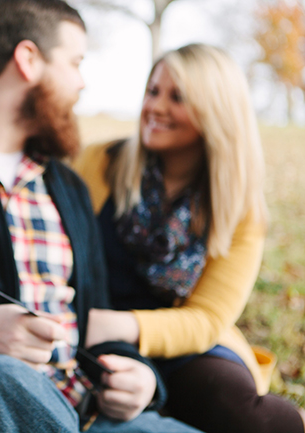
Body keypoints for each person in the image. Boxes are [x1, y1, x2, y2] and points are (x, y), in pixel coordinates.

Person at [0, 0, 201, 431]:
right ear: (29, 60)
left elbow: (95, 315)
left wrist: (138, 375)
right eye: (75, 63)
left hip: (90, 411)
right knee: (10, 376)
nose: (81, 83)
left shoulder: (68, 187)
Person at [74, 43, 305, 433]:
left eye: (177, 97)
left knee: (261, 418)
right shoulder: (100, 163)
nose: (156, 107)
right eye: (153, 91)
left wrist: (116, 325)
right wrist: (90, 328)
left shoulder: (239, 208)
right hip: (91, 334)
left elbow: (207, 318)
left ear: (215, 112)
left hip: (180, 346)